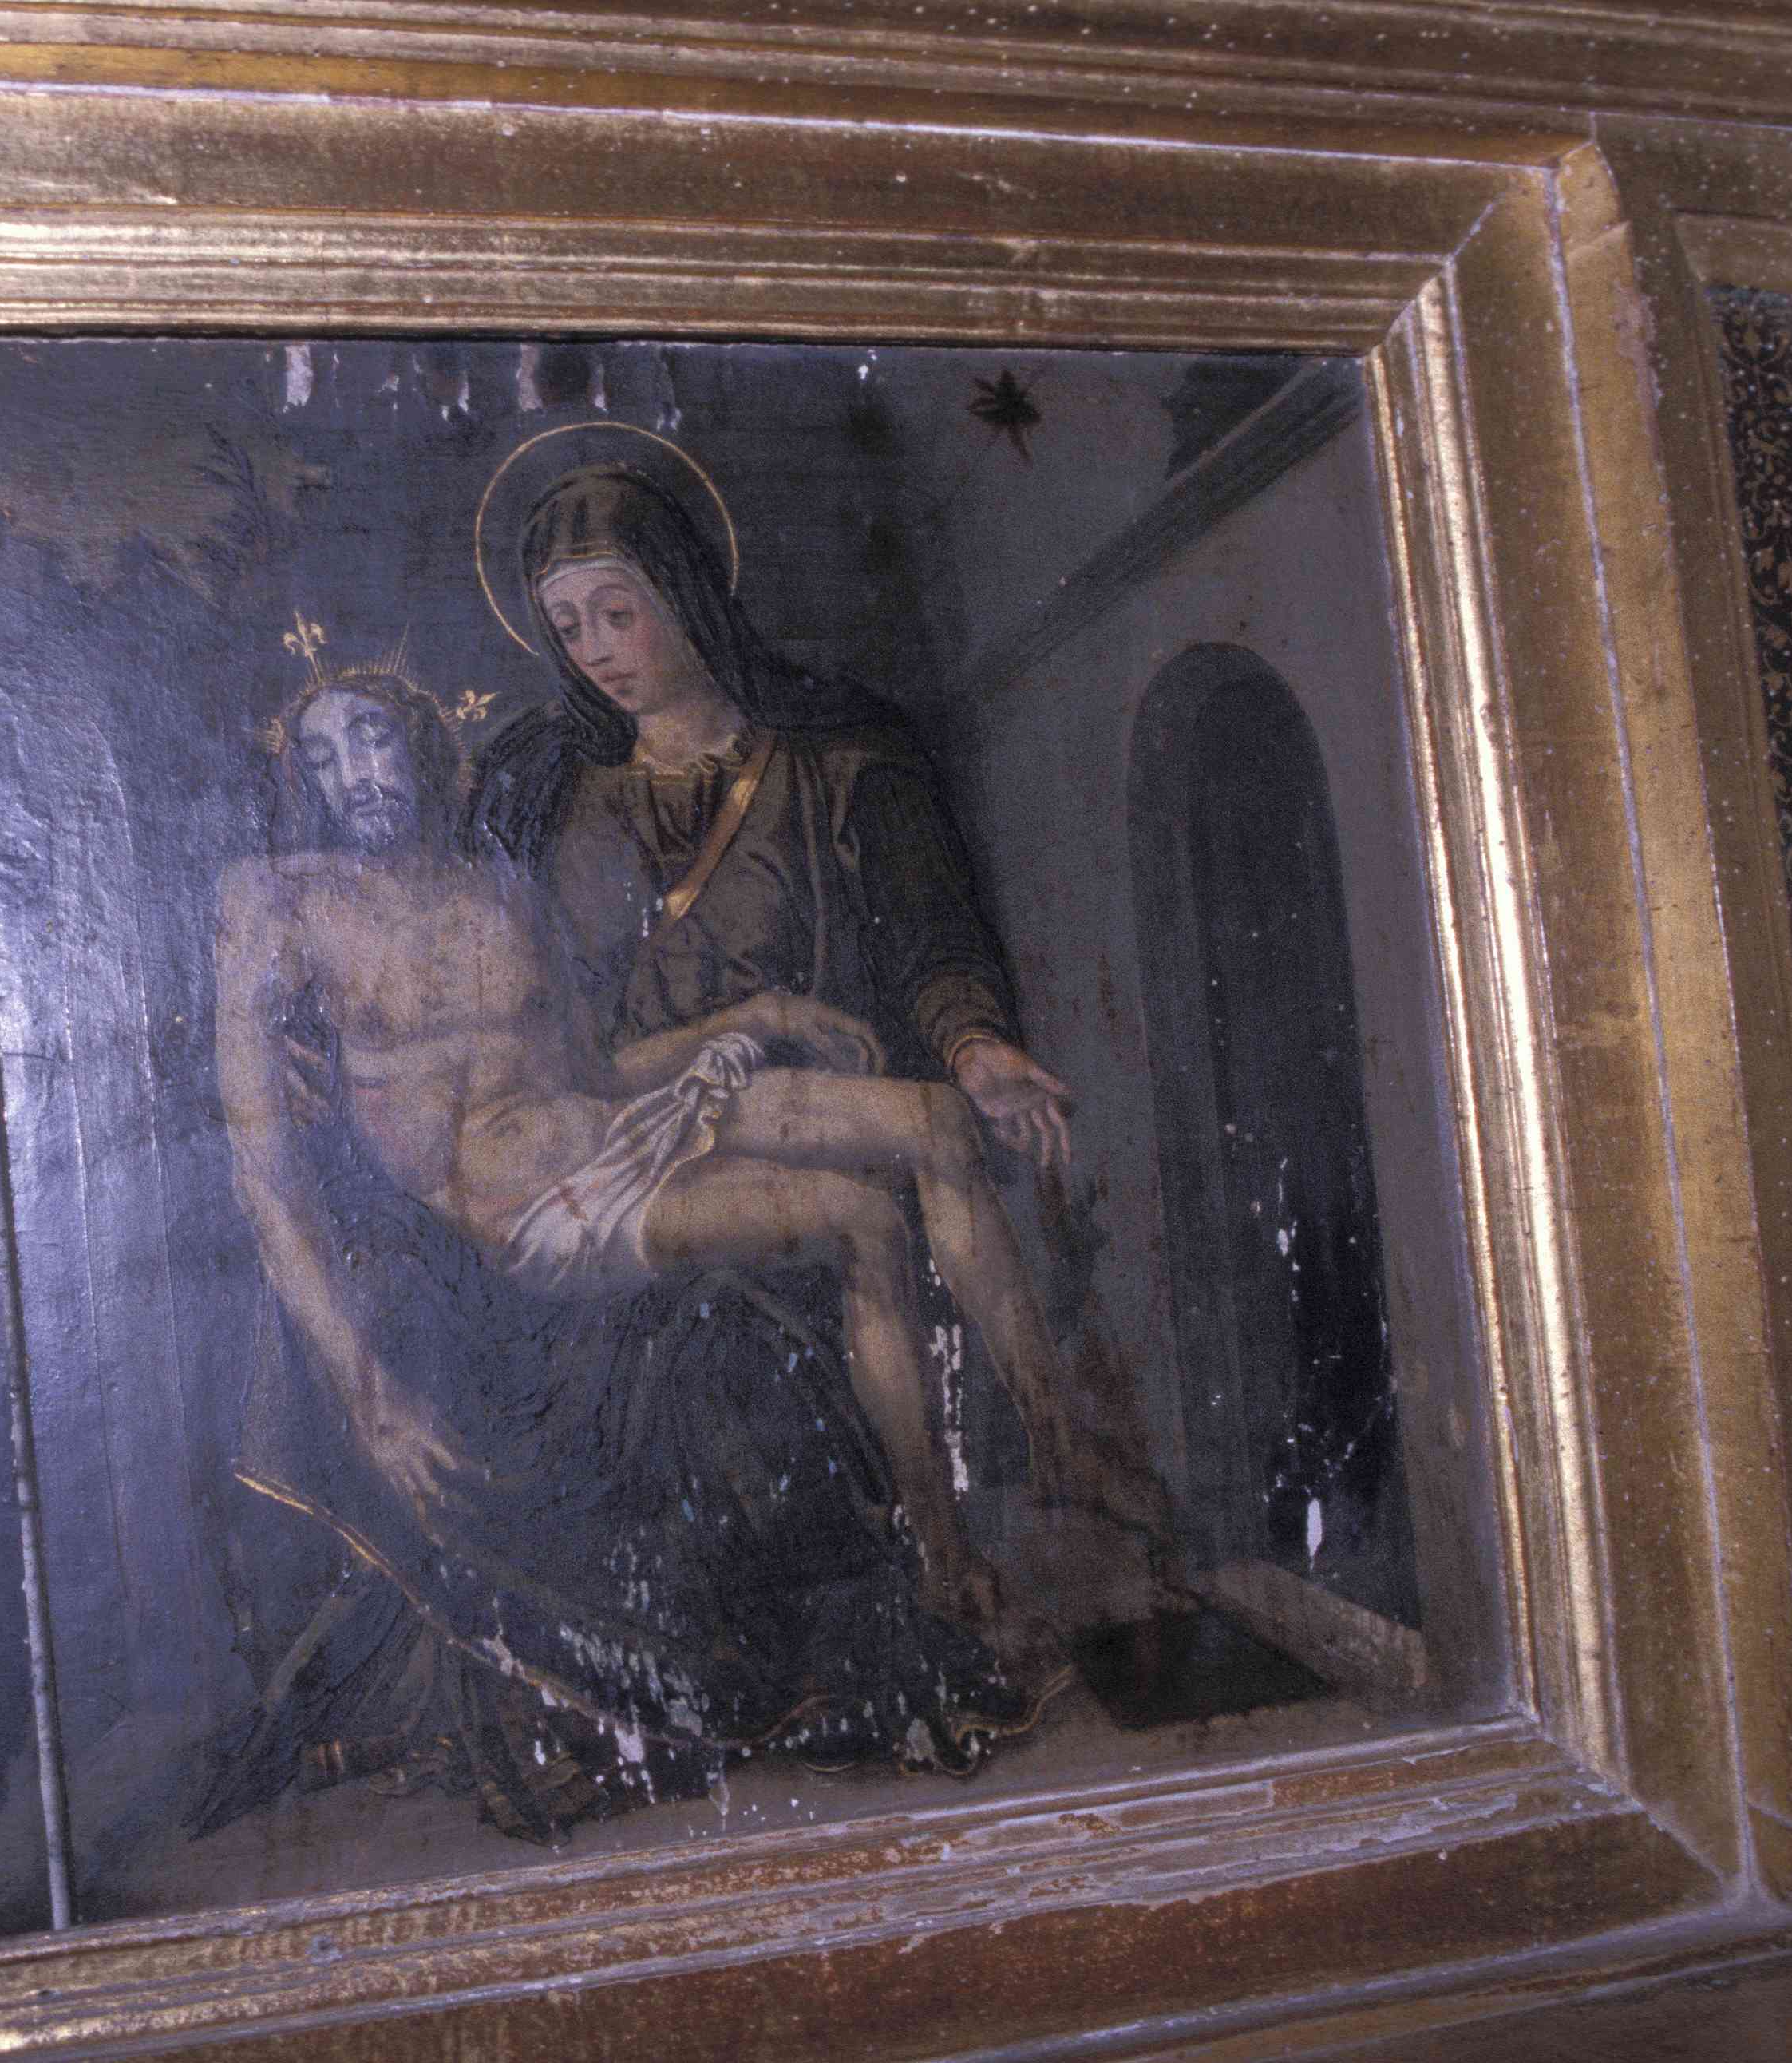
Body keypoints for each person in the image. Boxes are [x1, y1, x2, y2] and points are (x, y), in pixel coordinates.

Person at [178, 639, 1046, 1848]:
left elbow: (592, 1072)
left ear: (419, 742)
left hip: (606, 1138)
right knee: (852, 1216)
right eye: (321, 756)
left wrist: (755, 1016)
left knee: (901, 1164)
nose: (353, 773)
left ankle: (945, 1551)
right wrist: (368, 1390)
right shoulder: (274, 902)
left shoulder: (499, 890)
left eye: (369, 737)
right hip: (529, 1218)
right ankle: (943, 1562)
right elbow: (263, 1174)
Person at [469, 456, 1159, 1525]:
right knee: (921, 1132)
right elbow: (552, 1025)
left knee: (943, 1117)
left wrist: (974, 1045)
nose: (595, 649)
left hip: (793, 1095)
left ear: (684, 595)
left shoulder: (831, 756)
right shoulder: (559, 800)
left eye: (617, 612)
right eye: (568, 628)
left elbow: (927, 929)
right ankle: (992, 1486)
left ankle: (1051, 1443)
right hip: (632, 1108)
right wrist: (747, 1020)